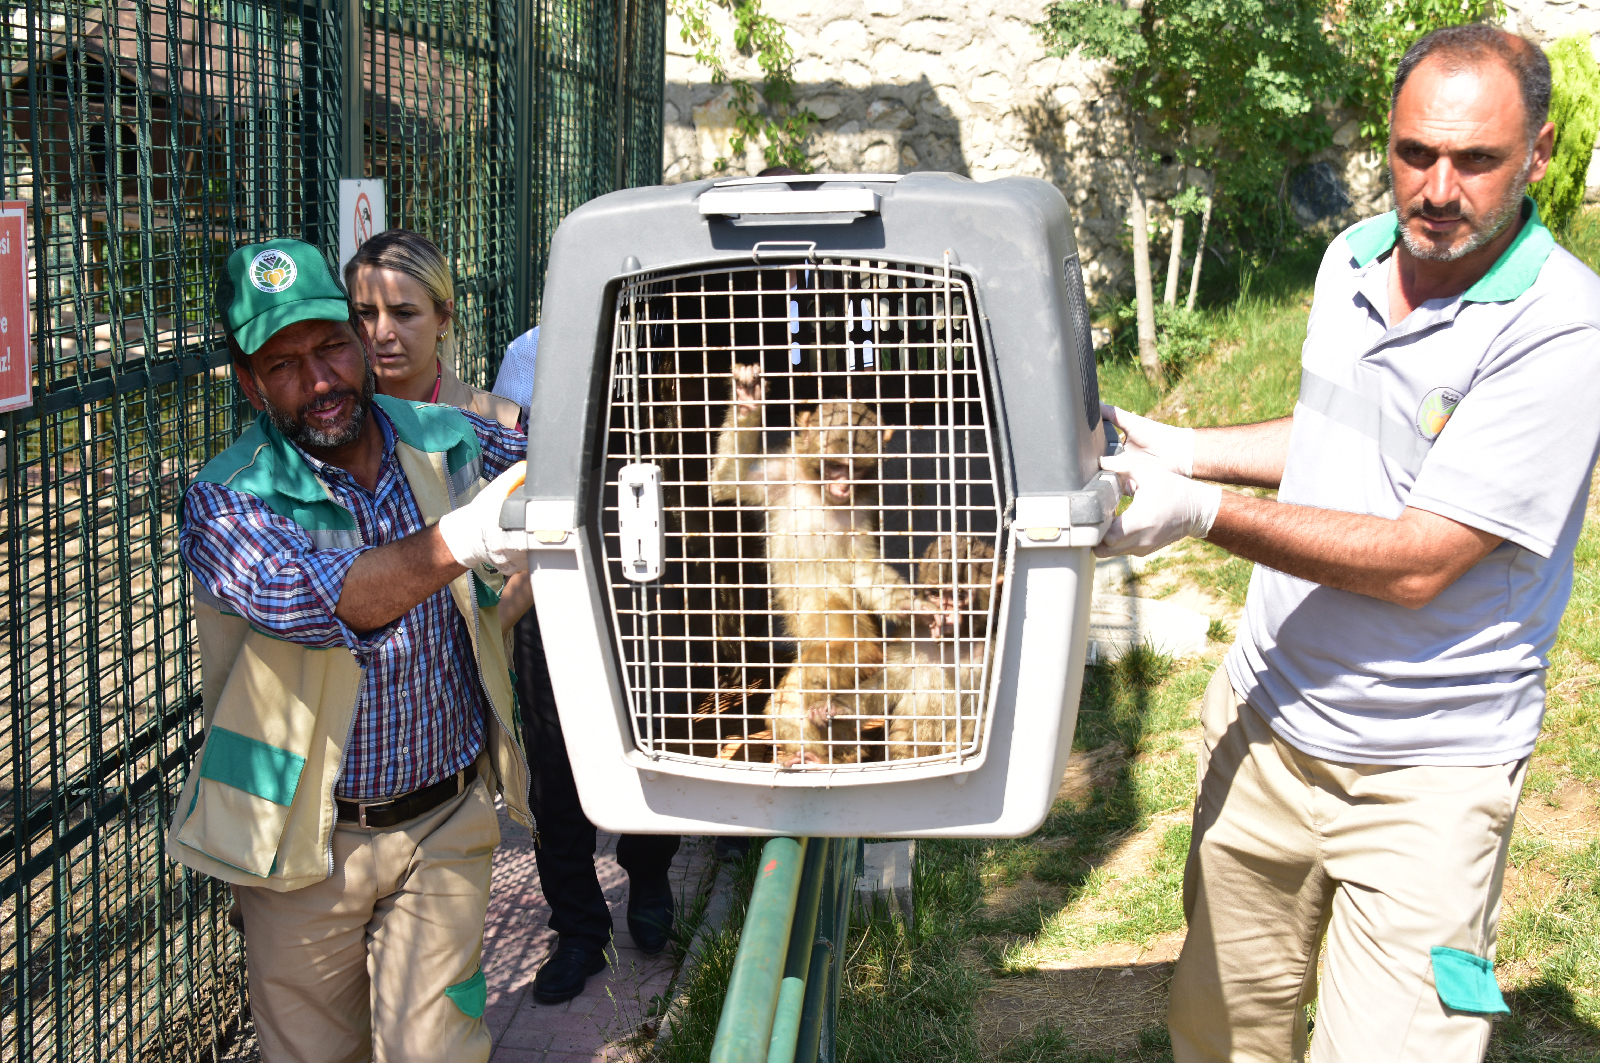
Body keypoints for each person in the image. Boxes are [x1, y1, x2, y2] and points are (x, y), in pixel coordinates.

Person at [1094, 26, 1600, 1061]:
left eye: (1476, 160)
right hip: (1267, 724)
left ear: (1537, 154)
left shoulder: (1561, 330)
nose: (1437, 188)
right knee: (1221, 1033)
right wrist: (1176, 442)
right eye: (1415, 153)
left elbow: (1421, 556)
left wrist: (1196, 511)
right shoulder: (1354, 257)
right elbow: (1338, 439)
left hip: (1425, 776)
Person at [171, 237, 533, 1063]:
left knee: (436, 1052)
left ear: (358, 338)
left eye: (331, 344)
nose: (321, 378)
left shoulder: (443, 437)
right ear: (247, 381)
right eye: (283, 363)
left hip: (443, 815)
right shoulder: (227, 497)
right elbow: (317, 599)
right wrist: (466, 535)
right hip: (296, 849)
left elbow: (574, 463)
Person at [491, 324, 684, 1004]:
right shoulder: (532, 352)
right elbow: (509, 470)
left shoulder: (686, 340)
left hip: (660, 578)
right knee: (555, 758)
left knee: (659, 731)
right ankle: (577, 926)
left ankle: (649, 867)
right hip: (558, 580)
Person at [349, 228, 532, 626]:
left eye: (403, 313)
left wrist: (490, 629)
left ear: (443, 316)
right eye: (364, 313)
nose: (382, 333)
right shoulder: (330, 427)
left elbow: (539, 543)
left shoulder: (501, 423)